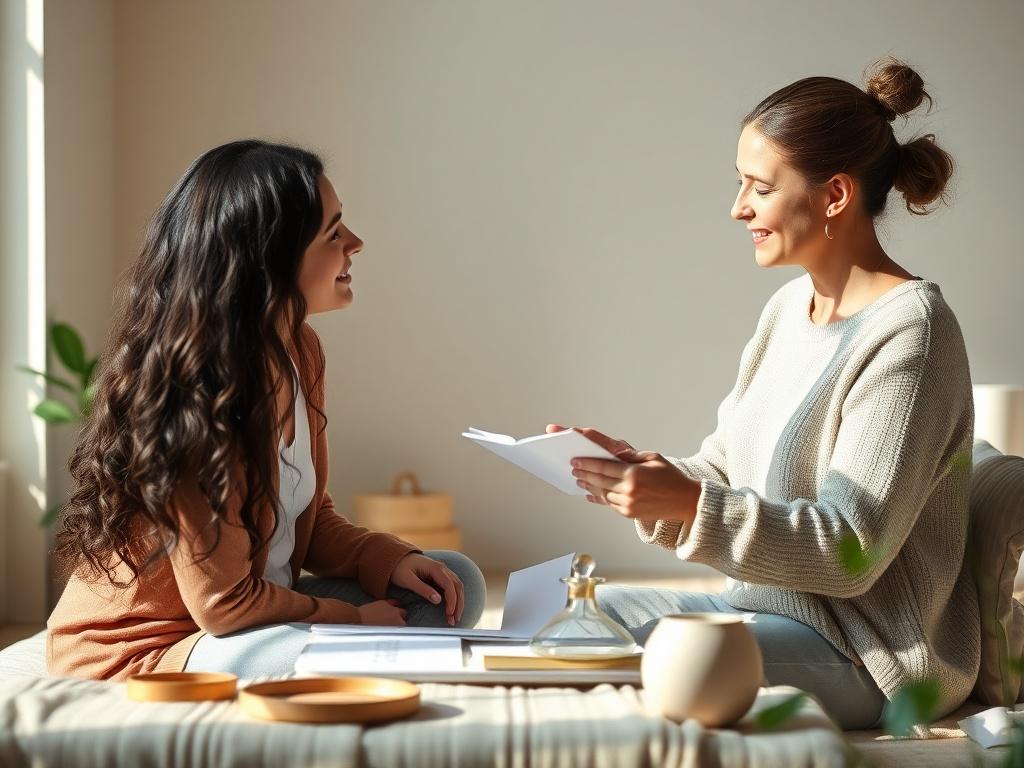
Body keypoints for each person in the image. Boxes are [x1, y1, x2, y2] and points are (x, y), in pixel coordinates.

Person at [552, 57, 976, 730]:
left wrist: (691, 506)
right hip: (762, 611)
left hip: (869, 655)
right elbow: (725, 469)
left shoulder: (912, 335)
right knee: (552, 614)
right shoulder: (788, 309)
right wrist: (643, 477)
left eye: (758, 187)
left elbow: (848, 549)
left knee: (647, 659)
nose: (738, 207)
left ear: (834, 195)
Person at [47, 140, 485, 680]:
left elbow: (310, 517)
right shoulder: (202, 395)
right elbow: (223, 604)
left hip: (254, 610)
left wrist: (386, 557)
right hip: (159, 647)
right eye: (333, 232)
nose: (356, 243)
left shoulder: (299, 350)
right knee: (331, 648)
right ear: (271, 259)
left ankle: (361, 644)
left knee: (451, 579)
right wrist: (350, 619)